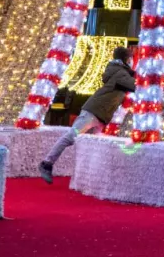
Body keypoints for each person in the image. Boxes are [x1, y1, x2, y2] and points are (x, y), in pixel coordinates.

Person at [39, 46, 136, 183]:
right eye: (131, 58)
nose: (132, 61)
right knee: (71, 136)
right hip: (94, 112)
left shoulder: (119, 71)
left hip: (101, 115)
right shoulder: (120, 73)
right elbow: (135, 85)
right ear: (126, 59)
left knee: (95, 145)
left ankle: (92, 176)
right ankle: (46, 163)